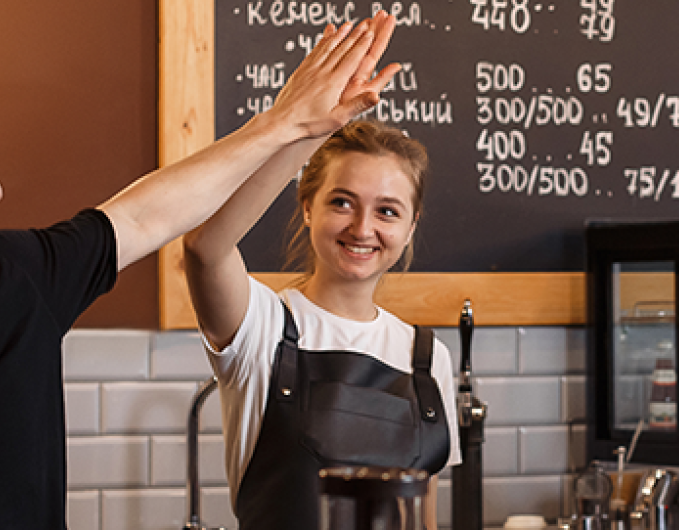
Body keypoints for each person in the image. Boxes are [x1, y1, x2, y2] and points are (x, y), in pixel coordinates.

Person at [0, 14, 396, 530]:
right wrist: (288, 126)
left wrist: (287, 124)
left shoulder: (22, 273)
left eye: (389, 210)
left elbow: (145, 215)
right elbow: (202, 246)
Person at [182, 51, 460, 530]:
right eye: (341, 202)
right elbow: (205, 247)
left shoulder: (427, 357)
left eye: (387, 211)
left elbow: (423, 516)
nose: (362, 227)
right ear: (307, 206)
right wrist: (305, 128)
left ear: (411, 227)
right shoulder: (261, 326)